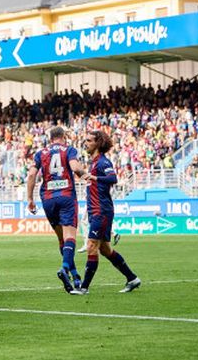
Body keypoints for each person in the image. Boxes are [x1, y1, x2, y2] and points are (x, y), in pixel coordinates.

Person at [71, 131, 141, 295]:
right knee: (105, 250)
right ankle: (132, 279)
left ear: (98, 143)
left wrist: (94, 178)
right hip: (96, 211)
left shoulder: (102, 162)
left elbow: (113, 178)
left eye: (89, 140)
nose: (85, 143)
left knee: (91, 246)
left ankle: (84, 287)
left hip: (101, 211)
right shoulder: (94, 163)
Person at [26, 126, 86, 293]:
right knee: (70, 237)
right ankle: (65, 269)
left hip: (48, 199)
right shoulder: (69, 150)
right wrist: (85, 174)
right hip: (66, 196)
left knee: (62, 239)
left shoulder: (40, 153)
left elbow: (31, 175)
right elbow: (75, 168)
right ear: (63, 137)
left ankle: (75, 276)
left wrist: (30, 199)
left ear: (50, 138)